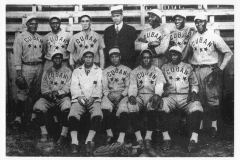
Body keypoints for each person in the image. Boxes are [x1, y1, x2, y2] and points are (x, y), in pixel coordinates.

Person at [188, 14, 233, 137]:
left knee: (212, 98)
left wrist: (220, 68)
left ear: (205, 22)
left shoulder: (214, 37)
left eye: (201, 22)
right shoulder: (193, 37)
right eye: (196, 22)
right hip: (196, 69)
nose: (199, 24)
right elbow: (188, 54)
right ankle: (200, 125)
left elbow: (228, 52)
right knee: (198, 97)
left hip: (210, 70)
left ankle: (214, 125)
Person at [160, 46, 203, 153]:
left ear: (180, 55)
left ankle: (193, 140)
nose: (173, 56)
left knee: (196, 106)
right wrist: (162, 91)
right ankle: (166, 138)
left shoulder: (188, 67)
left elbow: (195, 84)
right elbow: (159, 83)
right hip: (170, 96)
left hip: (185, 96)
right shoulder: (164, 67)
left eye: (175, 54)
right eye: (171, 54)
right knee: (160, 105)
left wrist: (193, 92)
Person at [128, 49, 166, 156]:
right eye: (144, 57)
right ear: (141, 59)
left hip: (151, 95)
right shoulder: (135, 71)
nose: (146, 59)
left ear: (151, 59)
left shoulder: (157, 70)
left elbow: (159, 85)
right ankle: (139, 139)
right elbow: (133, 86)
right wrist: (131, 95)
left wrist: (157, 95)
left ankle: (148, 139)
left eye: (148, 57)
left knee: (153, 107)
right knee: (131, 107)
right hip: (139, 95)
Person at [33, 50, 72, 144]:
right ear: (52, 59)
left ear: (62, 59)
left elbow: (68, 86)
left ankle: (63, 134)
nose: (58, 59)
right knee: (38, 106)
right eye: (55, 58)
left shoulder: (68, 70)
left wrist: (58, 93)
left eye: (59, 57)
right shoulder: (47, 71)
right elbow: (44, 86)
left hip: (62, 97)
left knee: (67, 106)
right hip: (49, 97)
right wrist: (49, 94)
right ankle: (44, 133)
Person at [68, 51, 103, 156]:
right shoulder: (76, 71)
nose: (88, 59)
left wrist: (93, 97)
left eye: (90, 57)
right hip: (80, 99)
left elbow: (100, 86)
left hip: (94, 99)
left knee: (97, 114)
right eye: (86, 57)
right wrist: (79, 96)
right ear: (83, 58)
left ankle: (89, 140)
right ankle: (74, 142)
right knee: (73, 114)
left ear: (93, 58)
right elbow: (74, 85)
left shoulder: (99, 71)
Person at [13, 15, 43, 130]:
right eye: (31, 23)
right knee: (23, 92)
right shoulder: (20, 37)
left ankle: (34, 117)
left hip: (39, 66)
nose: (34, 25)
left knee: (36, 92)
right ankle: (18, 118)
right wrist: (19, 72)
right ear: (26, 24)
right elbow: (17, 55)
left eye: (35, 23)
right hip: (26, 66)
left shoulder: (40, 37)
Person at [100, 48, 131, 147]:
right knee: (104, 107)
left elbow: (128, 86)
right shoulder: (105, 71)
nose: (114, 59)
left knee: (124, 109)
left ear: (120, 57)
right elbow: (104, 87)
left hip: (122, 95)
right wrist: (108, 95)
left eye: (116, 56)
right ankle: (109, 134)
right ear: (110, 58)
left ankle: (121, 138)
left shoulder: (127, 69)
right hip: (109, 94)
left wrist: (122, 95)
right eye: (112, 57)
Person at [104, 5, 137, 69]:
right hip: (111, 64)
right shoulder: (107, 30)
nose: (115, 18)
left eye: (117, 16)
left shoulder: (131, 30)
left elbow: (134, 50)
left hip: (127, 64)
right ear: (111, 17)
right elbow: (107, 48)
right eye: (113, 16)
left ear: (122, 16)